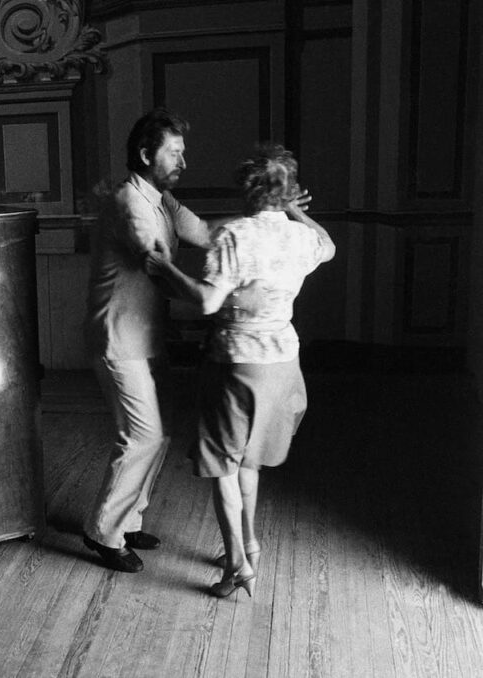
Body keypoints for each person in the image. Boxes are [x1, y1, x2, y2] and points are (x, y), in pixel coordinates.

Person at [144, 143, 335, 597]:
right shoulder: (300, 237)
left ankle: (236, 566)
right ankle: (250, 544)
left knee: (223, 467)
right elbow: (328, 245)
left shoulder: (235, 236)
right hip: (284, 364)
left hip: (237, 364)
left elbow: (208, 301)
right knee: (249, 461)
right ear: (286, 192)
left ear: (246, 190)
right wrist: (296, 213)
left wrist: (165, 268)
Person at [82, 108, 234, 573]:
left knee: (157, 435)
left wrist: (270, 219)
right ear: (147, 154)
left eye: (183, 152)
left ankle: (126, 522)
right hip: (119, 338)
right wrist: (210, 304)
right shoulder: (130, 203)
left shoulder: (161, 200)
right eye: (175, 152)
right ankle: (103, 534)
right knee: (142, 436)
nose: (183, 161)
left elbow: (208, 235)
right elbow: (159, 269)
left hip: (144, 337)